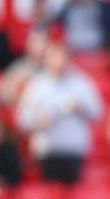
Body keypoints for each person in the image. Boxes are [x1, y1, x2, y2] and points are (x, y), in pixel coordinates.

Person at [16, 40, 103, 184]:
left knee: (77, 195)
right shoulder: (37, 85)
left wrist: (80, 107)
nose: (59, 63)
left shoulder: (81, 82)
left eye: (62, 58)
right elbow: (22, 119)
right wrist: (38, 122)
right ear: (47, 60)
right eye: (55, 58)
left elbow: (98, 112)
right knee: (50, 195)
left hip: (74, 149)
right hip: (47, 149)